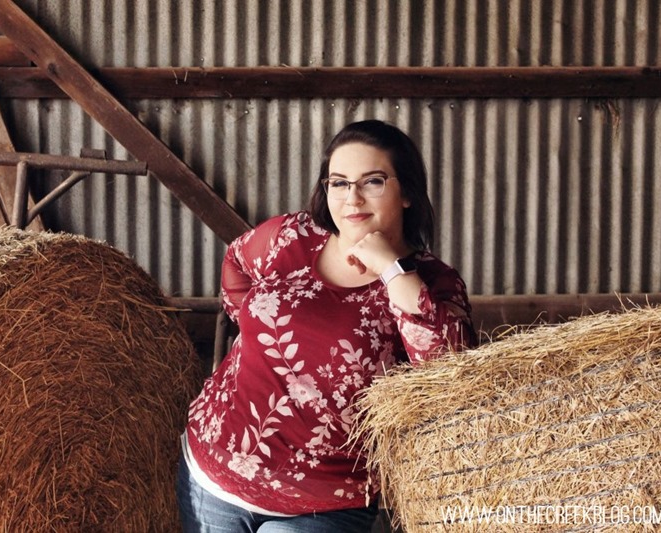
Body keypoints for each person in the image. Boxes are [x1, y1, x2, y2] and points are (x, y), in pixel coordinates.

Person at [176, 119, 478, 532]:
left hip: (327, 501)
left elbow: (449, 377)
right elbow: (237, 263)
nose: (352, 197)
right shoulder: (291, 238)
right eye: (338, 182)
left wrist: (392, 271)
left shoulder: (434, 282)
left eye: (372, 181)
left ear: (406, 191)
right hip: (215, 473)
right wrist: (253, 325)